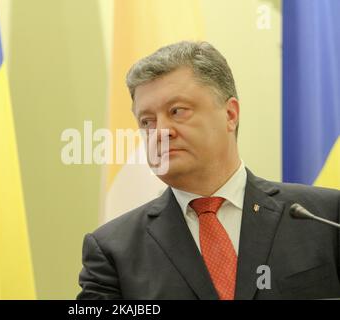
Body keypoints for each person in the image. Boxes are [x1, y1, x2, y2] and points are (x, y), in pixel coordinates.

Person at [77, 41, 340, 300]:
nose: (161, 132)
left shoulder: (324, 217)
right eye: (147, 121)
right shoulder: (113, 251)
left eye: (177, 111)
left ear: (230, 114)